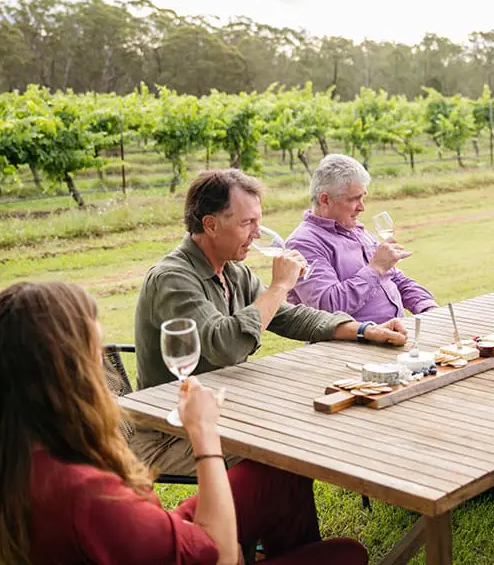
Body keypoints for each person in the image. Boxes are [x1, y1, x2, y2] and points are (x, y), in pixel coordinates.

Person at [0, 281, 369, 565]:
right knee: (345, 555)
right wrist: (204, 434)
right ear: (70, 372)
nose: (104, 361)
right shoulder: (88, 495)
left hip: (146, 537)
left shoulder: (12, 453)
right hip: (175, 541)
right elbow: (217, 551)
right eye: (95, 350)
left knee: (278, 473)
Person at [133, 168, 407, 475]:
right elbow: (226, 346)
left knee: (312, 420)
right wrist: (279, 286)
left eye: (258, 221)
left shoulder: (234, 271)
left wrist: (365, 330)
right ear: (210, 225)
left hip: (226, 409)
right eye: (247, 223)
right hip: (172, 433)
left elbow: (290, 316)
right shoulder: (173, 279)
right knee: (287, 442)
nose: (257, 233)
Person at [285, 154, 438, 323]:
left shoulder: (356, 230)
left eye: (363, 197)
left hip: (395, 332)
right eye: (354, 199)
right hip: (353, 345)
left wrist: (426, 305)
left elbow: (394, 277)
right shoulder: (303, 243)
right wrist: (376, 268)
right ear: (325, 200)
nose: (362, 207)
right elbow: (327, 306)